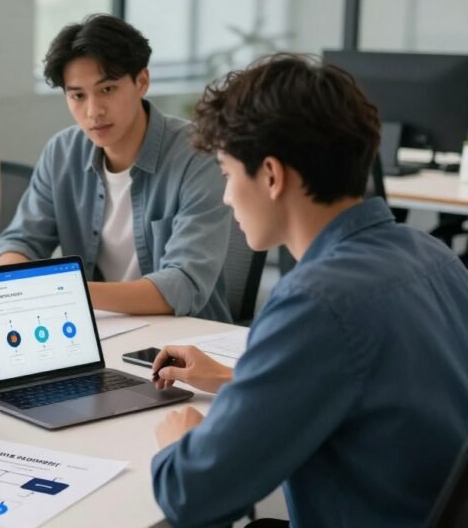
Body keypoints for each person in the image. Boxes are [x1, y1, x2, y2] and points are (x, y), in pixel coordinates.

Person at [149, 54, 468, 527]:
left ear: (272, 175)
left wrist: (180, 441)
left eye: (226, 173)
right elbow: (377, 397)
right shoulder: (434, 257)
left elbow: (191, 495)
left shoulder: (316, 301)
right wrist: (234, 381)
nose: (226, 196)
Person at [0, 14, 231, 322]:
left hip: (183, 344)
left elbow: (183, 285)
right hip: (95, 330)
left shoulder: (196, 155)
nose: (93, 111)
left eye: (107, 90)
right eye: (78, 95)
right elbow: (20, 240)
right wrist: (12, 278)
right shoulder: (62, 153)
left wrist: (65, 292)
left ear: (141, 81)